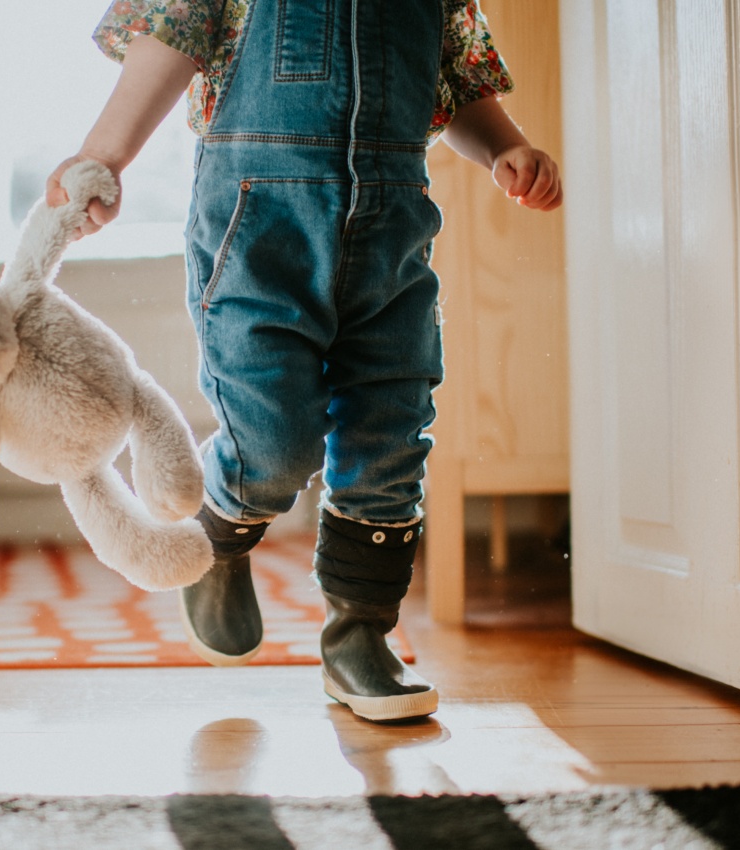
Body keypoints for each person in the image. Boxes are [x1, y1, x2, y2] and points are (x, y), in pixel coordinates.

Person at [46, 0, 561, 722]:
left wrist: (506, 146)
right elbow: (173, 33)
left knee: (391, 437)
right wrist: (103, 153)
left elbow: (456, 73)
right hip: (260, 225)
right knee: (276, 442)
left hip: (392, 229)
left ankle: (360, 639)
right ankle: (222, 526)